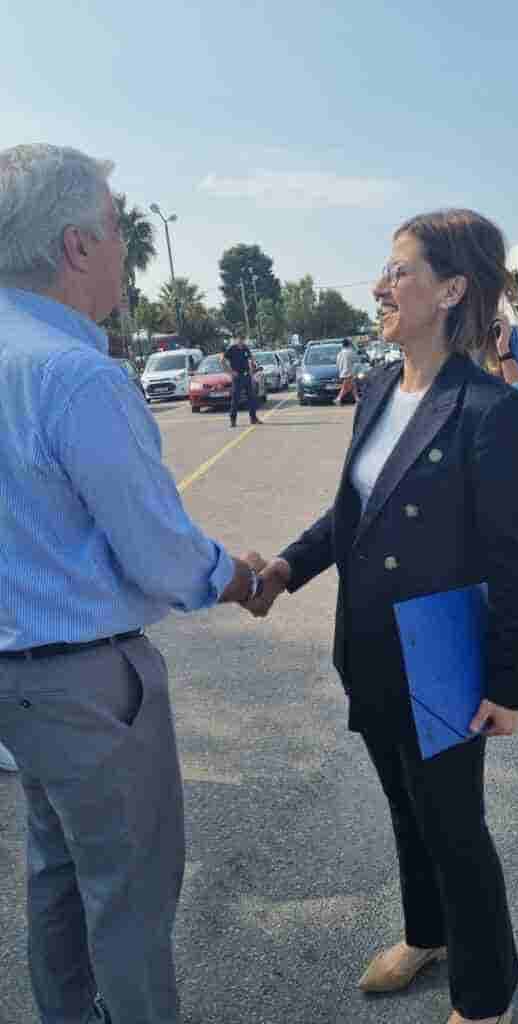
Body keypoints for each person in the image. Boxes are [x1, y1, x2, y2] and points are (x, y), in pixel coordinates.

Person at [245, 209, 518, 1024]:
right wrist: (286, 569)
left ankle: (487, 997)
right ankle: (428, 934)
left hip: (441, 648)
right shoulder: (378, 388)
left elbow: (512, 561)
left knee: (455, 827)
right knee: (407, 811)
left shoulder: (490, 409)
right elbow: (353, 512)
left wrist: (509, 684)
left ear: (451, 290)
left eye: (399, 270)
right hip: (371, 640)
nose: (380, 284)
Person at [0, 144, 263, 1024]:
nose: (123, 246)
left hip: (17, 685)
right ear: (77, 245)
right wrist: (240, 578)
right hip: (86, 684)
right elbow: (160, 555)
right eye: (116, 227)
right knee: (130, 892)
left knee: (57, 874)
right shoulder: (73, 375)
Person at [222, 330, 262, 427]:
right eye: (240, 338)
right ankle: (233, 420)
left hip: (247, 376)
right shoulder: (231, 349)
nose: (241, 340)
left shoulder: (245, 348)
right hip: (238, 377)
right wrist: (231, 372)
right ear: (236, 339)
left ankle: (253, 418)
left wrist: (253, 368)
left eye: (243, 339)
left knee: (251, 398)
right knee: (235, 399)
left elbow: (251, 359)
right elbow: (222, 361)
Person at [335, 337, 358, 404]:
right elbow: (356, 360)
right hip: (348, 372)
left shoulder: (340, 353)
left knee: (352, 386)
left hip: (343, 372)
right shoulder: (350, 352)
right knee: (346, 387)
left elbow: (337, 363)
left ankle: (357, 399)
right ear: (349, 344)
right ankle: (338, 398)